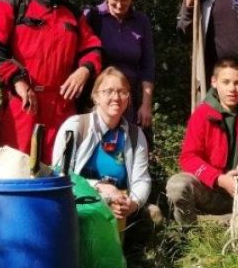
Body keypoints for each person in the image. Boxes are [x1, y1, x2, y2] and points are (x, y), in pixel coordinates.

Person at [0, 0, 102, 163]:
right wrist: (17, 81)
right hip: (23, 103)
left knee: (59, 170)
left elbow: (93, 49)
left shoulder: (73, 14)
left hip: (62, 106)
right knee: (15, 167)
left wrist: (85, 70)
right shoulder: (11, 6)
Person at [166, 59, 238, 224]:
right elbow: (189, 158)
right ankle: (190, 230)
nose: (232, 89)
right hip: (213, 192)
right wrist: (220, 179)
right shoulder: (201, 115)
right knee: (177, 186)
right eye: (226, 82)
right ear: (214, 82)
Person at [52, 67, 160, 241]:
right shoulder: (75, 126)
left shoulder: (135, 135)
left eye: (122, 92)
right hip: (80, 205)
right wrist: (99, 187)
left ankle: (134, 254)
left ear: (128, 98)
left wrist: (132, 204)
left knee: (153, 214)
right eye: (108, 91)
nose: (116, 97)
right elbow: (60, 174)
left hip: (120, 207)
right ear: (96, 97)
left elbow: (142, 179)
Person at [83, 0, 155, 130]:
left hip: (129, 101)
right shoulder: (92, 17)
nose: (119, 4)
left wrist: (146, 105)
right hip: (99, 101)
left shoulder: (141, 22)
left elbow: (147, 67)